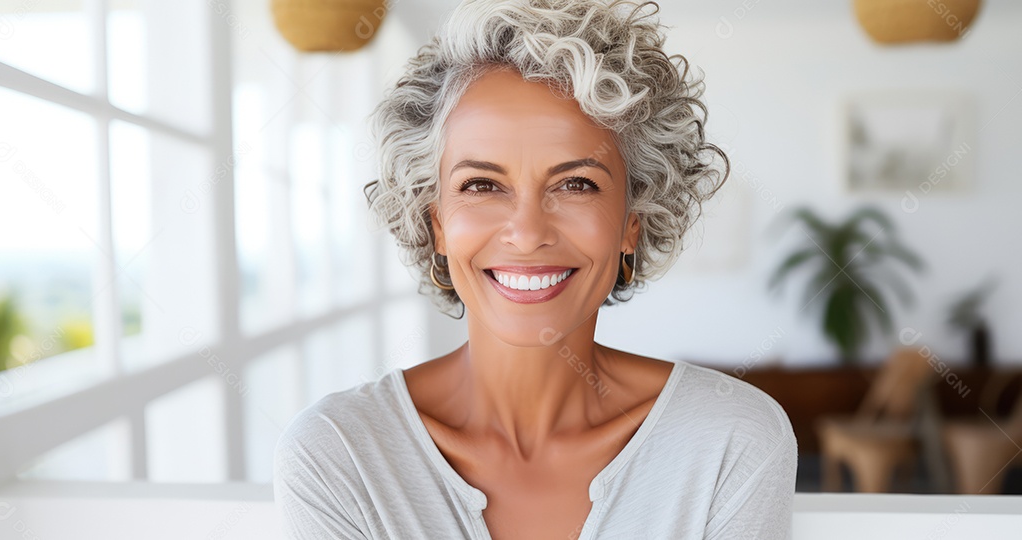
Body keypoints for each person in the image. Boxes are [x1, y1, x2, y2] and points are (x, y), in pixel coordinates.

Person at [274, 0, 798, 538]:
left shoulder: (731, 442)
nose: (527, 232)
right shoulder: (339, 454)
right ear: (435, 224)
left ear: (632, 223)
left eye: (576, 184)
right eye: (481, 185)